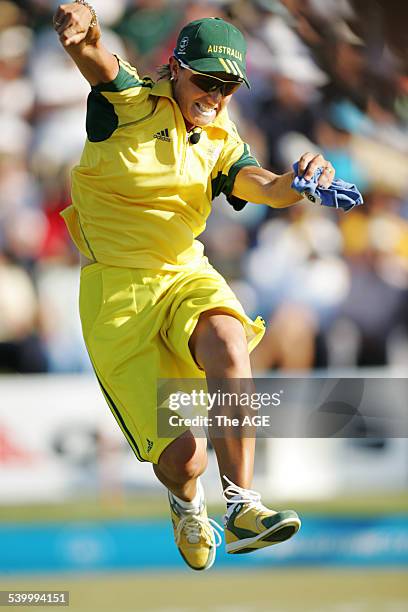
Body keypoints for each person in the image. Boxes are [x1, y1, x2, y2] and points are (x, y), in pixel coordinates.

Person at [53, 0, 335, 571]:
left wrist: (299, 182)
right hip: (117, 293)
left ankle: (243, 506)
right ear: (176, 68)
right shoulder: (127, 101)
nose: (216, 95)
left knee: (231, 340)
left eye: (229, 86)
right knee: (184, 460)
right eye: (207, 80)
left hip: (185, 272)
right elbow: (96, 60)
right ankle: (187, 505)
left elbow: (260, 183)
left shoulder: (221, 133)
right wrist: (81, 36)